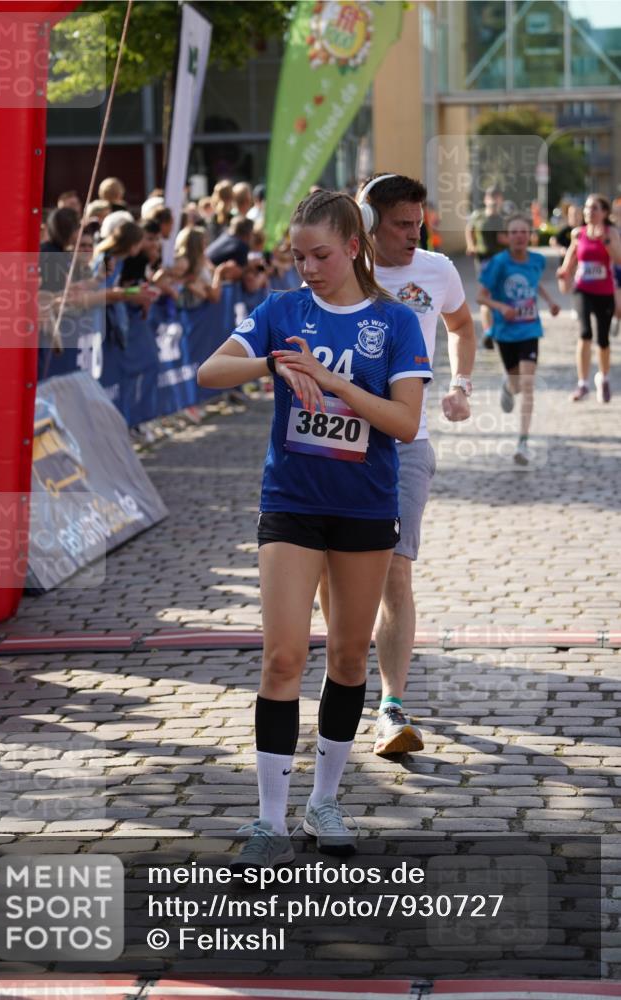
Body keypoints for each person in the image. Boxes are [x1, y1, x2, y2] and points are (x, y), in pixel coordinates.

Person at [197, 190, 432, 867]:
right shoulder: (281, 310)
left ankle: (323, 801)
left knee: (350, 659)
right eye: (297, 256)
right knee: (282, 656)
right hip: (291, 501)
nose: (307, 268)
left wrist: (333, 384)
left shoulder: (393, 322)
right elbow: (209, 371)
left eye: (320, 255)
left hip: (363, 506)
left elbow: (404, 422)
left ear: (353, 247)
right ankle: (269, 820)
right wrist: (272, 363)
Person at [319, 173, 475, 757]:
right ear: (367, 225)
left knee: (396, 571)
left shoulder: (437, 271)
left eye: (419, 223)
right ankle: (345, 670)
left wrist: (460, 384)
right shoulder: (338, 271)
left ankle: (391, 704)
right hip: (337, 442)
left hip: (407, 444)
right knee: (334, 573)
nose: (415, 235)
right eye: (402, 225)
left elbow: (461, 325)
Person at [478, 214, 560, 465]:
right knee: (516, 384)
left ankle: (522, 441)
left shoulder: (537, 260)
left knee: (528, 383)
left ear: (530, 235)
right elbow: (481, 297)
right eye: (514, 232)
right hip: (505, 332)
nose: (519, 236)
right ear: (506, 236)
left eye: (524, 231)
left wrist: (550, 302)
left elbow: (534, 284)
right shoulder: (498, 263)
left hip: (530, 329)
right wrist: (501, 307)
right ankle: (507, 387)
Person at [556, 194, 621, 403]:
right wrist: (564, 273)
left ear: (604, 212)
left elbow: (619, 259)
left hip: (605, 291)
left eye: (594, 208)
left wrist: (606, 242)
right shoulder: (578, 233)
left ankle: (603, 378)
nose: (589, 212)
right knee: (585, 333)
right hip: (582, 289)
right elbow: (570, 259)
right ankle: (582, 384)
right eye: (587, 208)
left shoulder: (611, 233)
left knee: (603, 339)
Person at [465, 186, 508, 348]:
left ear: (501, 199)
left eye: (497, 197)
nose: (494, 200)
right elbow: (469, 229)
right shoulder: (478, 215)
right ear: (486, 199)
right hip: (483, 261)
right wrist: (471, 245)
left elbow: (511, 238)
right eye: (491, 197)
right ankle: (488, 332)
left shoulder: (503, 219)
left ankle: (499, 330)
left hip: (501, 261)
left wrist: (507, 240)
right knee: (486, 296)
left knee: (500, 295)